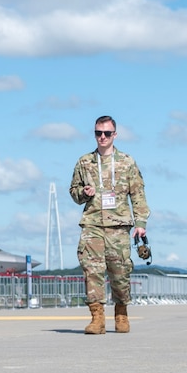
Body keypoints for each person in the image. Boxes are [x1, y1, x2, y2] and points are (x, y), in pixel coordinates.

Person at [69, 116, 149, 335]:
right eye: (98, 133)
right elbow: (73, 192)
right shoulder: (84, 162)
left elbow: (138, 194)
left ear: (115, 134)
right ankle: (97, 318)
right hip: (92, 224)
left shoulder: (127, 162)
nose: (102, 137)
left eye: (106, 133)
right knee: (92, 270)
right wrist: (83, 193)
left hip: (119, 225)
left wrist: (140, 222)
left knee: (120, 272)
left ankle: (121, 312)